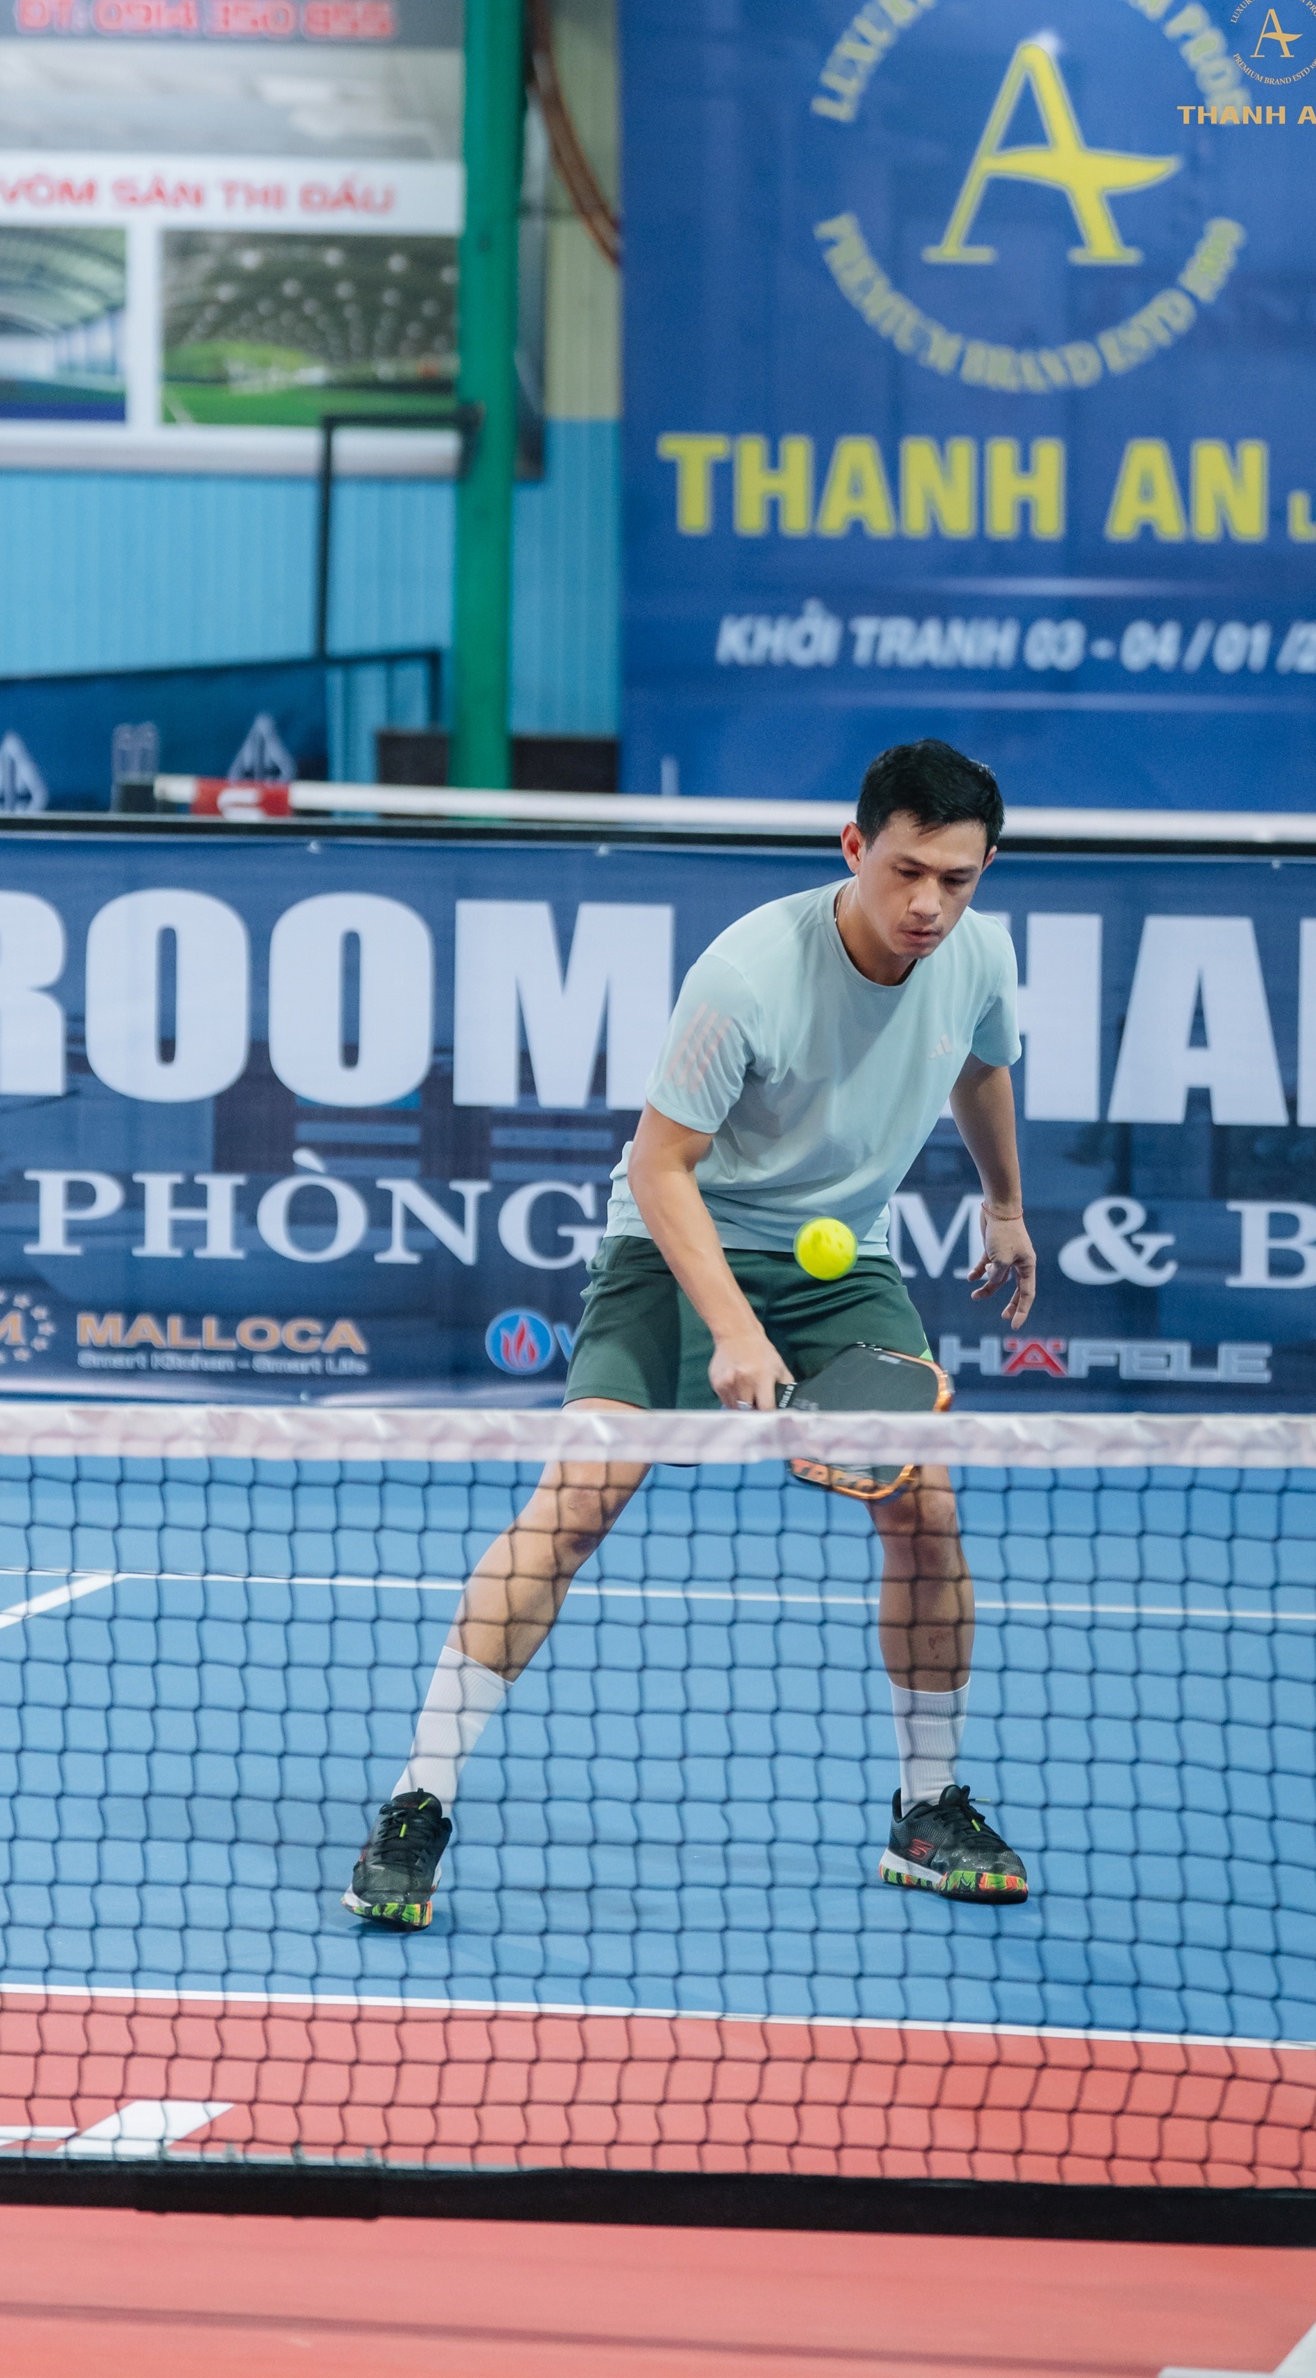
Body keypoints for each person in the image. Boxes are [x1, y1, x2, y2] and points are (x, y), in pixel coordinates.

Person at [344, 738, 1039, 1928]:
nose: (930, 903)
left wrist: (1007, 1204)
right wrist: (731, 1330)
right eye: (908, 871)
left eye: (957, 879)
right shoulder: (748, 975)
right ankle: (418, 1802)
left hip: (840, 1266)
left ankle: (927, 1810)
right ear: (855, 847)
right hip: (676, 1249)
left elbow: (982, 1063)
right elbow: (661, 1166)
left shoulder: (978, 954)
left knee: (925, 1511)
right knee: (576, 1505)